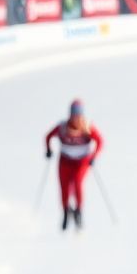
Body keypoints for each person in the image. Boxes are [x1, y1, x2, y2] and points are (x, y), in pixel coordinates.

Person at [45, 99, 103, 230]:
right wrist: (48, 150)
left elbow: (100, 141)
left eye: (78, 115)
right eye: (73, 115)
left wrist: (94, 156)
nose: (76, 118)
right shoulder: (63, 127)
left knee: (77, 182)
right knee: (64, 186)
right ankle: (66, 212)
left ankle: (78, 212)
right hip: (65, 161)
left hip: (82, 161)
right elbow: (48, 136)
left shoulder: (87, 127)